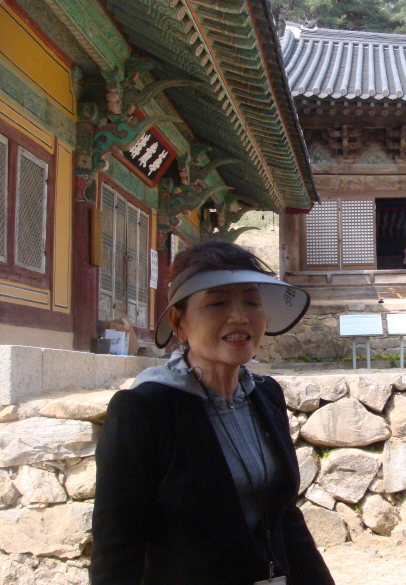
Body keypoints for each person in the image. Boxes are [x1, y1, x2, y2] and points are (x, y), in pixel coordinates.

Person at [91, 241, 335, 585]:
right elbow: (117, 544)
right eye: (217, 303)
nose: (240, 316)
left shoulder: (265, 395)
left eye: (252, 301)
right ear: (179, 323)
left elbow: (282, 515)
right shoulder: (144, 410)